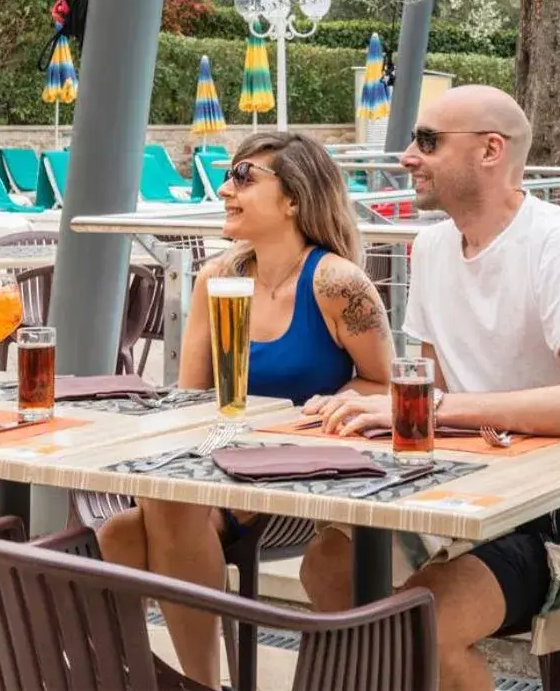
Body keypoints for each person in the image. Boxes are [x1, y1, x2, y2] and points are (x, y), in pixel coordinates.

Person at [298, 86, 560, 691]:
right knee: (329, 566)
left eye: (428, 141)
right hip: (477, 493)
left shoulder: (557, 243)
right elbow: (430, 383)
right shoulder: (433, 246)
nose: (408, 156)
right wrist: (375, 406)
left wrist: (434, 410)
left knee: (428, 619)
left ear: (491, 150)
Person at [96, 131, 394, 689]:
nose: (227, 188)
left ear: (293, 200)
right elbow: (193, 399)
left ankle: (200, 681)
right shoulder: (219, 278)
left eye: (244, 178)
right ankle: (153, 677)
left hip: (308, 462)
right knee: (123, 528)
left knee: (150, 513)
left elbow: (387, 382)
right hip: (230, 449)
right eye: (230, 175)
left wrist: (331, 404)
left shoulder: (336, 283)